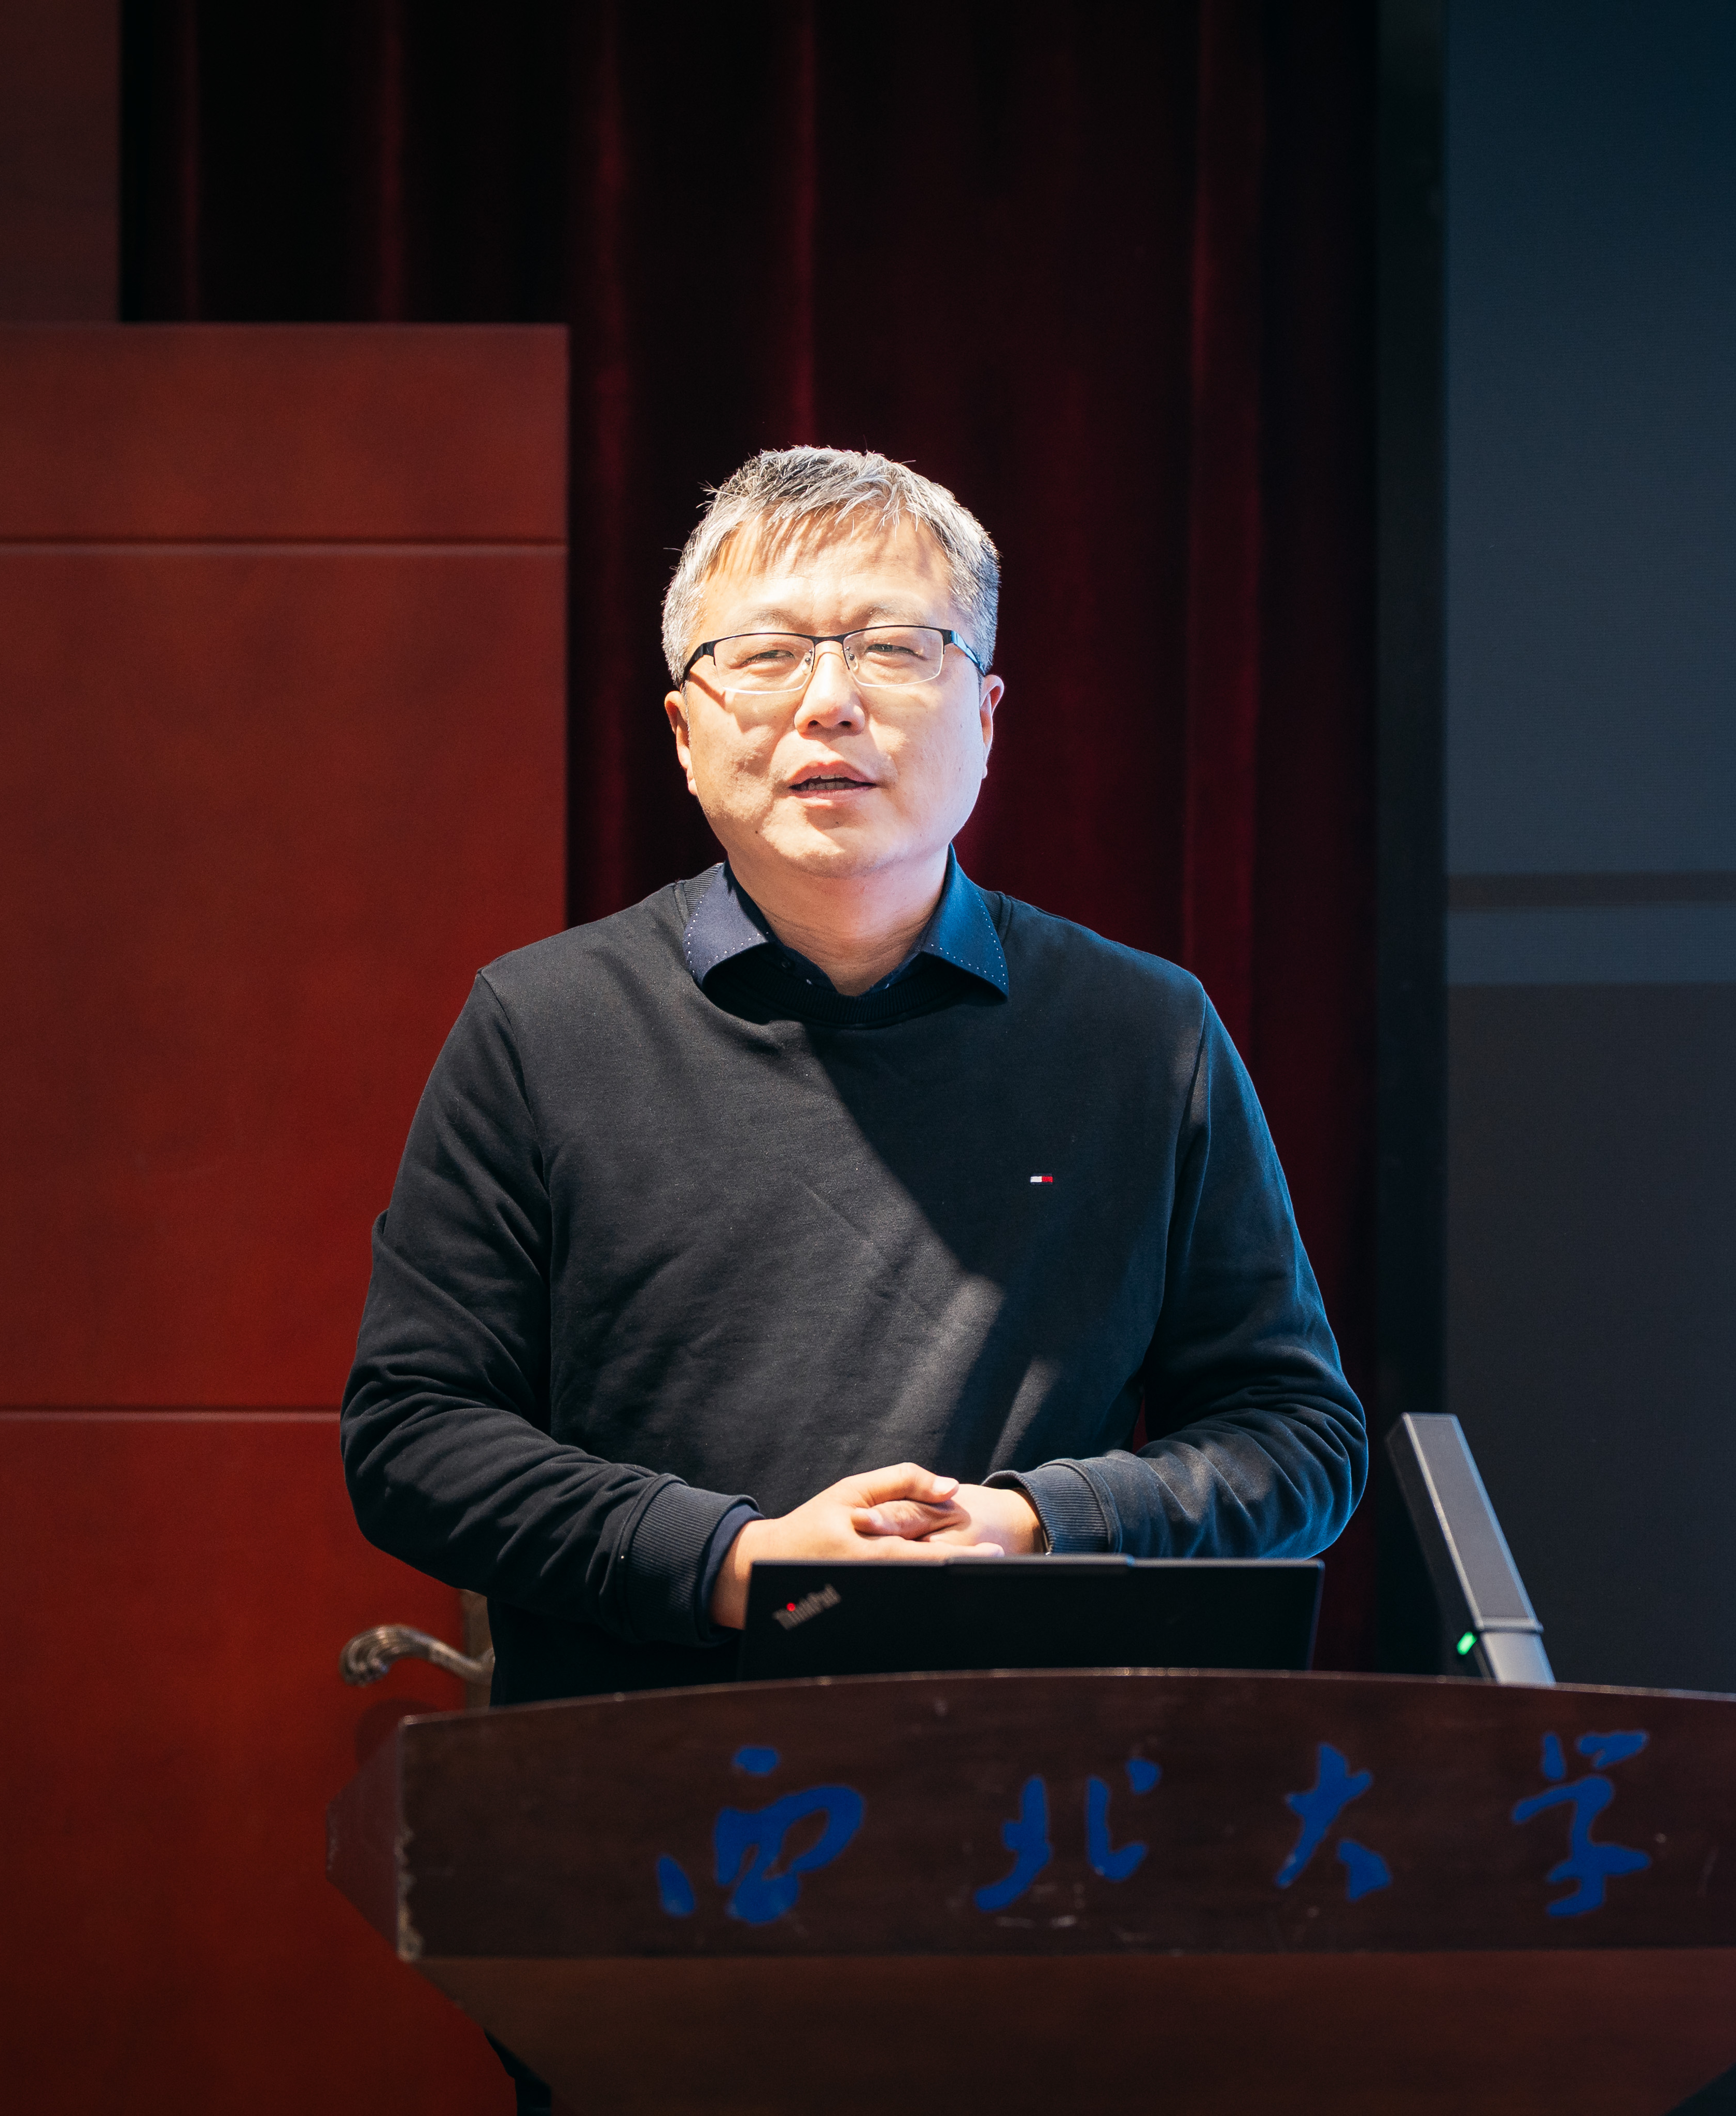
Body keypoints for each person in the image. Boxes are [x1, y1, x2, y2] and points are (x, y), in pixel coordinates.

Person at [341, 445, 1365, 1709]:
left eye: (892, 648)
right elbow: (414, 1433)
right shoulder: (541, 1027)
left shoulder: (1144, 1032)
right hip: (636, 1776)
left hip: (1035, 1773)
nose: (829, 703)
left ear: (984, 717)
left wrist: (1031, 1527)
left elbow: (1295, 1434)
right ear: (683, 733)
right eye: (767, 654)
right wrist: (737, 1562)